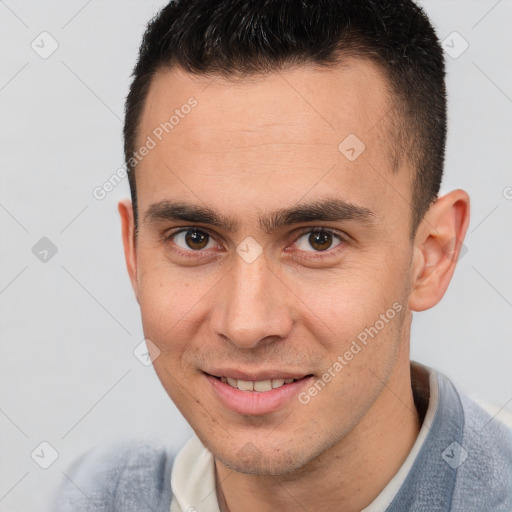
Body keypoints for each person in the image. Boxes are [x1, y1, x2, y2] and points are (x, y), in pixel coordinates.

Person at [53, 0, 512, 510]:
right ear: (134, 253)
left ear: (431, 255)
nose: (247, 324)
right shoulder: (91, 495)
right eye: (195, 238)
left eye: (319, 239)